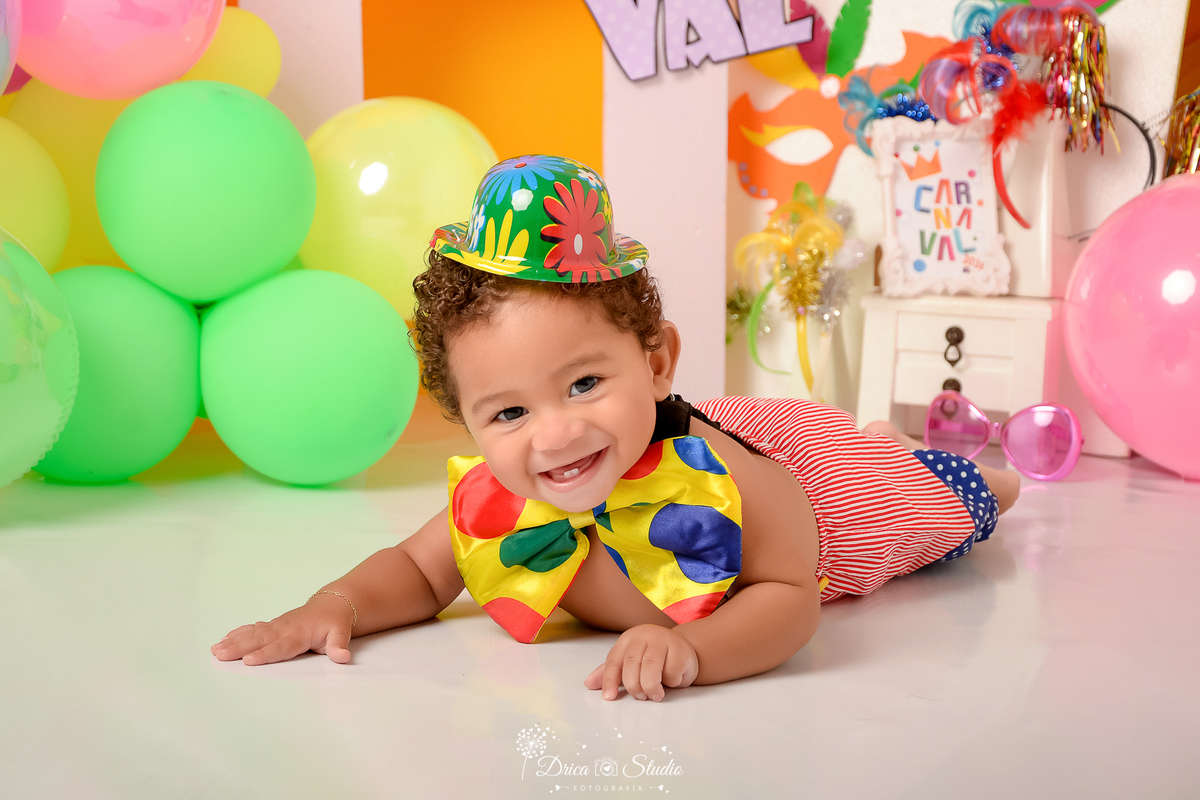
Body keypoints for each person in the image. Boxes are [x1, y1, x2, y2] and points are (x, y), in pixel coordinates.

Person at [212, 155, 1020, 702]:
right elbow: (420, 576)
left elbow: (791, 596)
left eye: (586, 382)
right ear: (469, 424)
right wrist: (335, 602)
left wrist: (696, 652)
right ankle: (883, 435)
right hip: (658, 432)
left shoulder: (731, 483)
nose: (556, 433)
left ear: (658, 361)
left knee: (933, 496)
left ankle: (946, 466)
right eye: (510, 413)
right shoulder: (503, 494)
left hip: (820, 497)